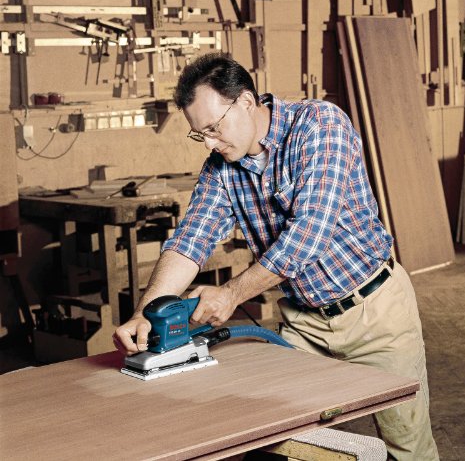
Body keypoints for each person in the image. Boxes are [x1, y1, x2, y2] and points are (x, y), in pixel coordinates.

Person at [113, 53, 439, 460]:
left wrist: (231, 294)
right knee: (277, 438)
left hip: (374, 311)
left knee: (406, 446)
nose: (210, 143)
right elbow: (189, 241)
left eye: (214, 128)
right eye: (200, 135)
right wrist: (145, 312)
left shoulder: (320, 125)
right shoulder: (221, 169)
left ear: (246, 102)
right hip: (304, 321)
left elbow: (309, 233)